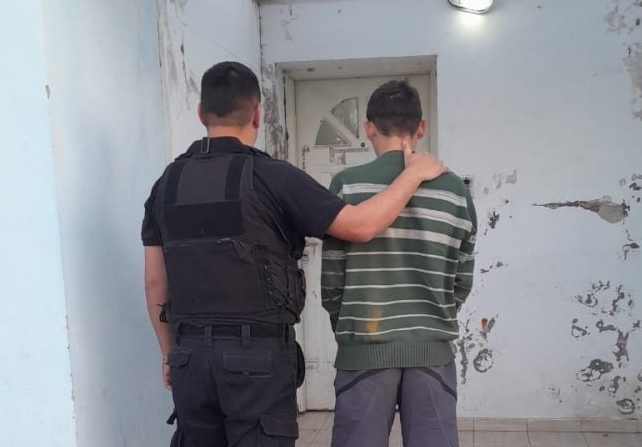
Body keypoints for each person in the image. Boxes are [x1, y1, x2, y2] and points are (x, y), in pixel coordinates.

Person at [141, 62, 448, 447]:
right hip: (256, 359)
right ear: (257, 113)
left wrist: (170, 353)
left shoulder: (165, 185)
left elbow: (155, 281)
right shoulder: (273, 177)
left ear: (201, 112)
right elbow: (361, 226)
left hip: (189, 357)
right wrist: (413, 174)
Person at [321, 80, 477, 447]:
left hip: (364, 348)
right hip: (432, 350)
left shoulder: (347, 185)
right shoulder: (455, 191)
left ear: (368, 127)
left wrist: (352, 330)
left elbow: (332, 284)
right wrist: (431, 319)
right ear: (420, 127)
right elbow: (462, 279)